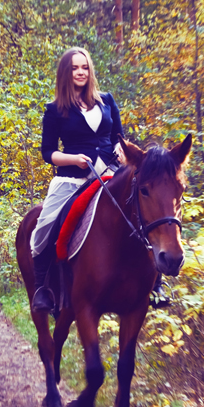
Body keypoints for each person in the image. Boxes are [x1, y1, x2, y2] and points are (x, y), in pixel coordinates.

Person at [30, 47, 123, 314]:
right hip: (72, 179)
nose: (81, 72)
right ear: (66, 73)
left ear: (90, 70)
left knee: (143, 207)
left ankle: (155, 283)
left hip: (109, 174)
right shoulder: (55, 110)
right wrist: (73, 159)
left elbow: (119, 136)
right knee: (44, 228)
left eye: (84, 67)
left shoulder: (107, 100)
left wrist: (120, 148)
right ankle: (41, 289)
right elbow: (48, 153)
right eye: (74, 68)